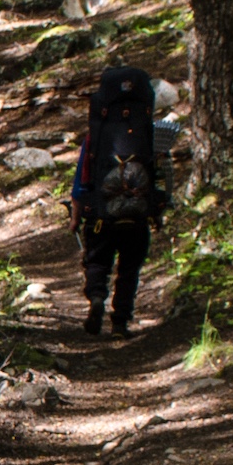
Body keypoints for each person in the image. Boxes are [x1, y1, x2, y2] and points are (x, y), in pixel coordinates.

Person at [67, 66, 177, 335]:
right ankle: (120, 321)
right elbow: (161, 175)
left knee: (97, 262)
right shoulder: (151, 135)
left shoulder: (95, 138)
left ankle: (96, 298)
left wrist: (76, 213)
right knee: (129, 268)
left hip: (101, 214)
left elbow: (83, 175)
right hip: (137, 216)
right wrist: (158, 208)